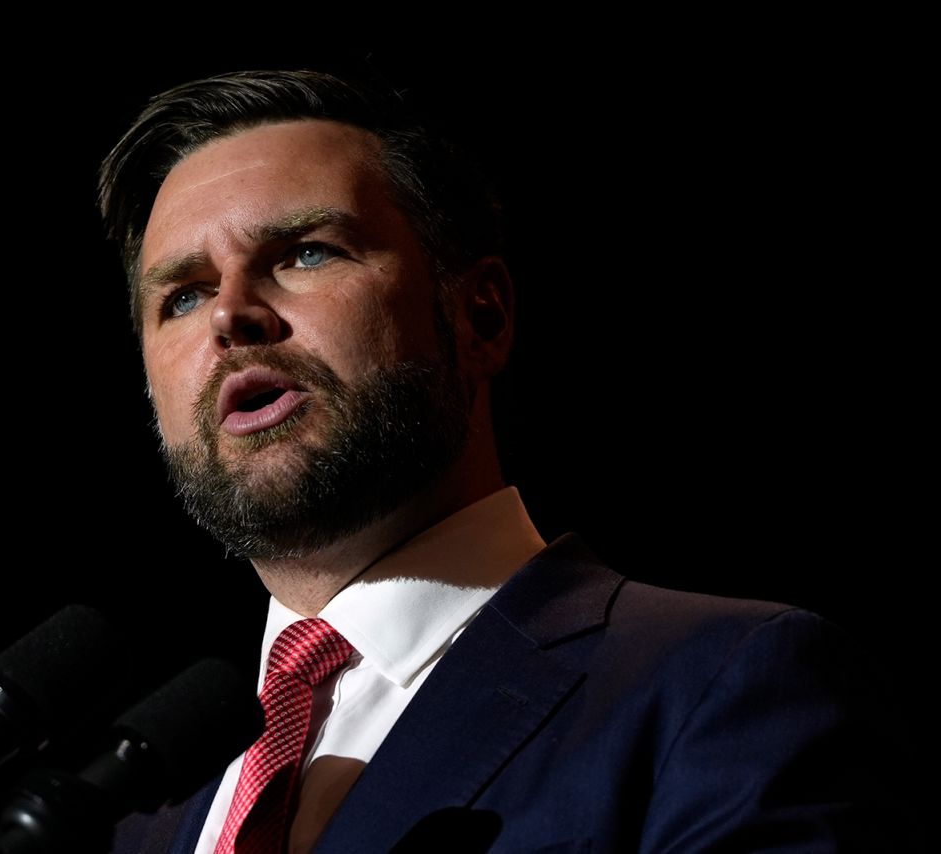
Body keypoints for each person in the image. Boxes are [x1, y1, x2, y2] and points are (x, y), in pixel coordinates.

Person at [96, 69, 912, 853]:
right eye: (183, 296)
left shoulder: (718, 684)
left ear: (478, 315)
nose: (231, 315)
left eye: (306, 253)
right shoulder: (141, 812)